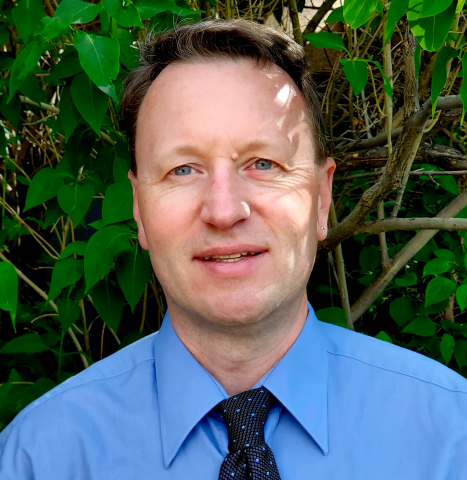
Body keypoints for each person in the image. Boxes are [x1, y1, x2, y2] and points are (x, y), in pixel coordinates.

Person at [1, 18, 467, 480]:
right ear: (139, 208)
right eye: (182, 170)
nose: (224, 211)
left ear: (321, 199)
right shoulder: (40, 458)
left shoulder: (449, 438)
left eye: (263, 163)